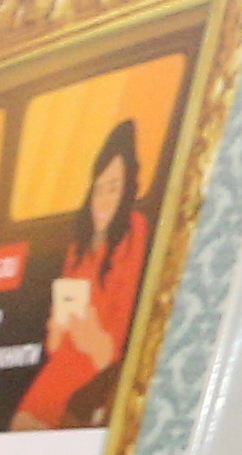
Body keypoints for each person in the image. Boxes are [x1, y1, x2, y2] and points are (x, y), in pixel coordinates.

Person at [12, 118, 154, 431]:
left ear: (128, 189)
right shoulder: (80, 244)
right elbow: (55, 344)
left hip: (100, 368)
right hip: (64, 362)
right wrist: (58, 325)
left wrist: (88, 330)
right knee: (25, 422)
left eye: (113, 188)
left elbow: (112, 346)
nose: (103, 200)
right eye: (98, 189)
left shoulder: (135, 230)